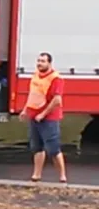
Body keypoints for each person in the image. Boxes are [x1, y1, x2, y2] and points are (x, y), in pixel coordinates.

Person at [20, 52, 67, 183]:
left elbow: (57, 100)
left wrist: (43, 114)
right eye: (38, 60)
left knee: (53, 148)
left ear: (49, 63)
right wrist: (25, 110)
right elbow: (32, 95)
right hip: (34, 116)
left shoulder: (56, 79)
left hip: (49, 118)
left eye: (43, 61)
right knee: (37, 147)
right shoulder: (36, 75)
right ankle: (36, 174)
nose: (39, 63)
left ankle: (62, 176)